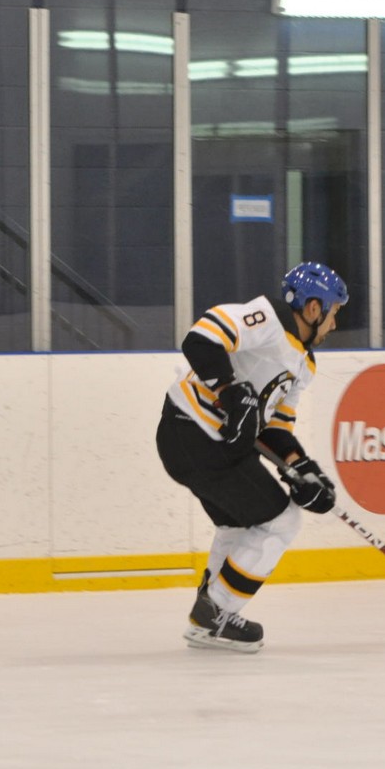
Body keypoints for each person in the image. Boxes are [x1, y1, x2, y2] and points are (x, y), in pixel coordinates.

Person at [155, 261, 349, 653]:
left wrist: (302, 468)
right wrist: (231, 390)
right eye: (334, 313)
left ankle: (208, 618)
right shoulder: (268, 317)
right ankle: (215, 614)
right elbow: (200, 339)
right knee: (282, 522)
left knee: (239, 525)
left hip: (206, 443)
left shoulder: (305, 364)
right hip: (194, 432)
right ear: (313, 307)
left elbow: (275, 429)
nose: (334, 323)